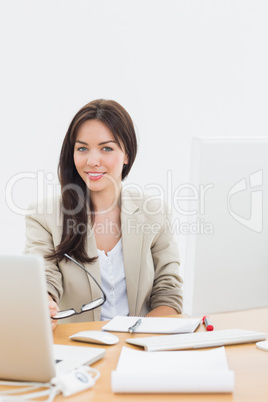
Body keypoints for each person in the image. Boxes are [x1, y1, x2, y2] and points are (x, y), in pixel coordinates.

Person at [25, 99, 183, 329]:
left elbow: (168, 292)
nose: (92, 161)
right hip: (77, 347)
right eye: (82, 149)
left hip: (140, 347)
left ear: (126, 154)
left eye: (106, 148)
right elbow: (43, 278)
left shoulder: (154, 214)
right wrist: (45, 301)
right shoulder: (44, 216)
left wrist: (132, 337)